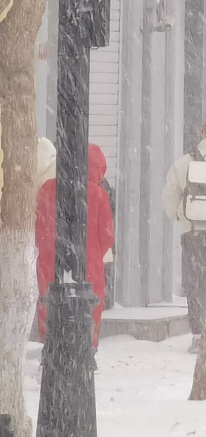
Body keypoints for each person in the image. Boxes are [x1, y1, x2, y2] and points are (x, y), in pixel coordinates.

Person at [36, 141, 115, 343]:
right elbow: (107, 235)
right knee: (91, 305)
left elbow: (38, 226)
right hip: (89, 264)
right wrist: (94, 252)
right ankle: (87, 347)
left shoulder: (47, 189)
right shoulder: (99, 195)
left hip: (49, 259)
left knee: (49, 302)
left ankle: (51, 344)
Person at [162, 119, 206, 339]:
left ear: (201, 135)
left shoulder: (184, 162)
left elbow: (169, 196)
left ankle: (198, 332)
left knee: (195, 281)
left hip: (191, 232)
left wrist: (179, 217)